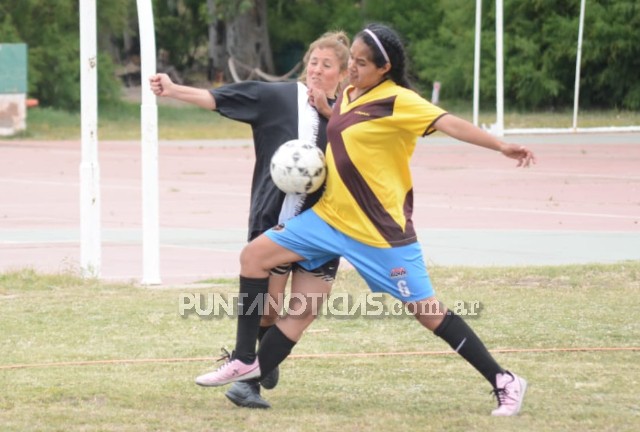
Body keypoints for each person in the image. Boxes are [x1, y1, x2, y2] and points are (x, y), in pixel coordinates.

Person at [201, 23, 536, 416]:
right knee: (254, 257)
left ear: (384, 68)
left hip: (379, 234)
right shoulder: (348, 94)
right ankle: (246, 361)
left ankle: (504, 381)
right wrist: (326, 109)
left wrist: (500, 145)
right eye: (353, 60)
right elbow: (340, 122)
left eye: (361, 63)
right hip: (328, 220)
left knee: (429, 313)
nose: (353, 68)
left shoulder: (399, 100)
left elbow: (450, 123)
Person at [149, 30, 350, 408]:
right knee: (267, 313)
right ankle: (258, 364)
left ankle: (251, 377)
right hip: (273, 224)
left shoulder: (347, 119)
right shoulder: (276, 97)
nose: (317, 70)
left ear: (342, 74)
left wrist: (331, 113)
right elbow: (218, 98)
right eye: (313, 63)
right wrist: (174, 89)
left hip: (323, 229)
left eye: (327, 66)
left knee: (305, 310)